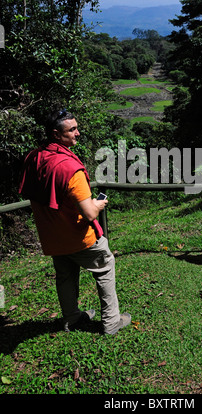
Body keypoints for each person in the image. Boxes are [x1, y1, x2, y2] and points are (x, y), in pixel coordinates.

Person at [19, 108, 131, 334]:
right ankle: (111, 322)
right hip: (79, 236)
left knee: (65, 276)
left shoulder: (34, 157)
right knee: (105, 268)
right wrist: (99, 204)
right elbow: (89, 213)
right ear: (56, 134)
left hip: (53, 235)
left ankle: (72, 318)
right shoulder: (70, 169)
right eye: (72, 130)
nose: (78, 133)